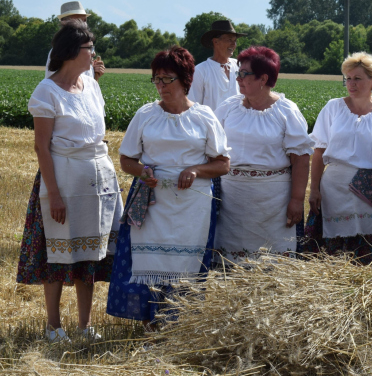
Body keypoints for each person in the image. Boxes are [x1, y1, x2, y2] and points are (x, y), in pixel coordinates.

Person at [106, 46, 230, 328]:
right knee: (151, 262)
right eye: (157, 79)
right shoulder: (146, 115)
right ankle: (152, 322)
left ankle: (180, 324)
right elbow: (126, 159)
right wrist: (143, 171)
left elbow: (223, 164)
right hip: (152, 202)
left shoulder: (204, 116)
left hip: (192, 205)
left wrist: (196, 169)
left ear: (185, 80)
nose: (161, 86)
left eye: (167, 79)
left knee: (185, 264)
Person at [18, 20, 122, 343]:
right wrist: (55, 194)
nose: (94, 54)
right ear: (71, 52)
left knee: (89, 254)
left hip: (96, 180)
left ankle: (85, 325)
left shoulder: (91, 86)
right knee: (58, 254)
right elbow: (41, 146)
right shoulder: (46, 92)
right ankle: (53, 326)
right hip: (63, 180)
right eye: (90, 49)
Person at [213, 47, 312, 262]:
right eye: (238, 73)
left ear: (263, 78)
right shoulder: (228, 108)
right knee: (229, 262)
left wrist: (296, 200)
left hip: (272, 202)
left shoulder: (286, 111)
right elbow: (211, 147)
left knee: (271, 263)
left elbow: (301, 159)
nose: (238, 78)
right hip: (232, 200)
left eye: (244, 74)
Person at [305, 52, 372, 263]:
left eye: (357, 78)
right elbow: (318, 151)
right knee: (334, 245)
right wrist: (314, 189)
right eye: (348, 78)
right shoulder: (333, 107)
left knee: (369, 240)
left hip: (370, 189)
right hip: (333, 186)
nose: (351, 84)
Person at [188, 20, 247, 111]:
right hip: (211, 125)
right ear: (215, 42)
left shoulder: (240, 66)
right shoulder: (200, 71)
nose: (233, 44)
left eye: (235, 41)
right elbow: (193, 107)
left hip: (238, 125)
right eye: (229, 39)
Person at [45, 1, 105, 81]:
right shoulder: (60, 51)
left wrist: (95, 73)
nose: (84, 24)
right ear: (64, 23)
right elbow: (62, 84)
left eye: (85, 20)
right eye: (79, 20)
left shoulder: (84, 49)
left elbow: (85, 86)